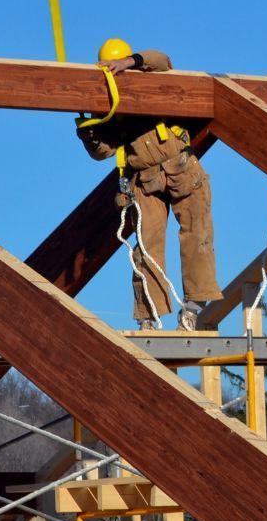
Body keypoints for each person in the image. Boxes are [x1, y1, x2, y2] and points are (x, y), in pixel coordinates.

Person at [77, 37, 223, 330]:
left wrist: (132, 62)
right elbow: (103, 152)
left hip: (180, 168)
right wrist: (88, 132)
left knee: (197, 236)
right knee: (146, 247)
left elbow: (162, 59)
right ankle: (148, 317)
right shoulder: (108, 100)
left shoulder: (150, 77)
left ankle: (192, 308)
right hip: (143, 179)